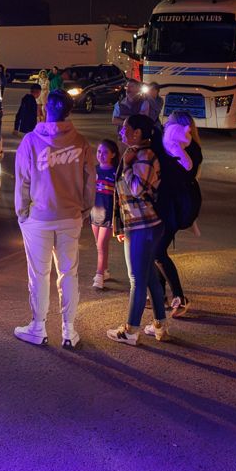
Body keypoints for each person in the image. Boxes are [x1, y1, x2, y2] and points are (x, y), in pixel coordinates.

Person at [12, 90, 95, 348]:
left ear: (45, 107)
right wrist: (84, 208)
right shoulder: (80, 143)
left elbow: (22, 181)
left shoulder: (30, 141)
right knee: (68, 272)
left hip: (38, 217)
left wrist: (22, 212)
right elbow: (90, 180)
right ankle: (69, 330)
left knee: (39, 274)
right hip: (70, 216)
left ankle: (38, 326)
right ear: (69, 111)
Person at [106, 113, 169, 345]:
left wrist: (127, 167)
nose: (121, 132)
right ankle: (160, 325)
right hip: (140, 225)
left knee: (136, 279)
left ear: (138, 133)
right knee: (149, 275)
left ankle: (131, 330)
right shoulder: (136, 154)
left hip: (144, 226)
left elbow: (135, 189)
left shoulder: (145, 156)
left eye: (125, 128)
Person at [154, 113, 203, 318]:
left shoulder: (189, 149)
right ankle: (159, 295)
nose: (166, 123)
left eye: (171, 121)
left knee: (158, 250)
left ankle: (179, 297)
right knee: (159, 248)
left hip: (176, 204)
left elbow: (186, 173)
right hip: (170, 202)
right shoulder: (168, 142)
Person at [90, 139, 119, 291]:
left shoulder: (116, 172)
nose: (101, 155)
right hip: (95, 213)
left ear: (113, 154)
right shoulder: (94, 170)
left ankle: (99, 276)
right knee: (100, 245)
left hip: (109, 215)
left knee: (101, 245)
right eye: (99, 151)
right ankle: (105, 270)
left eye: (105, 152)